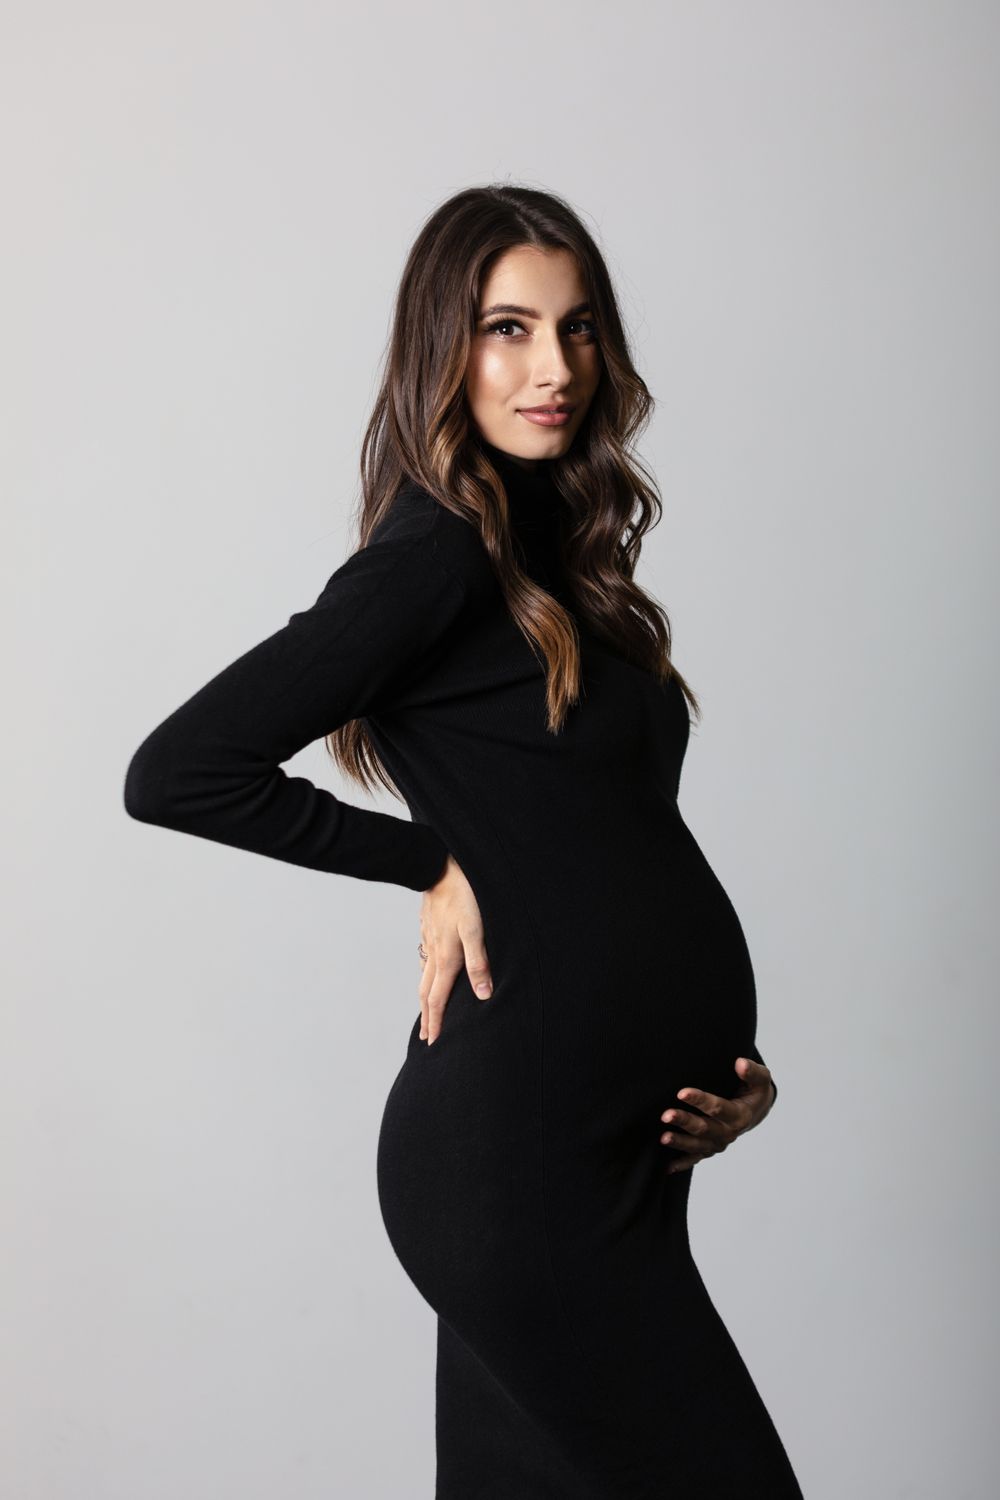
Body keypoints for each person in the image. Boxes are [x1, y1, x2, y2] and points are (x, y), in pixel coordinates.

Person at [124, 183, 802, 1496]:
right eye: (508, 328)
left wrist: (732, 1064)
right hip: (517, 1169)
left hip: (607, 1161)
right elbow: (181, 770)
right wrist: (427, 864)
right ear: (446, 346)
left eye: (578, 326)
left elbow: (604, 845)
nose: (553, 367)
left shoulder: (558, 557)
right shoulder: (437, 555)